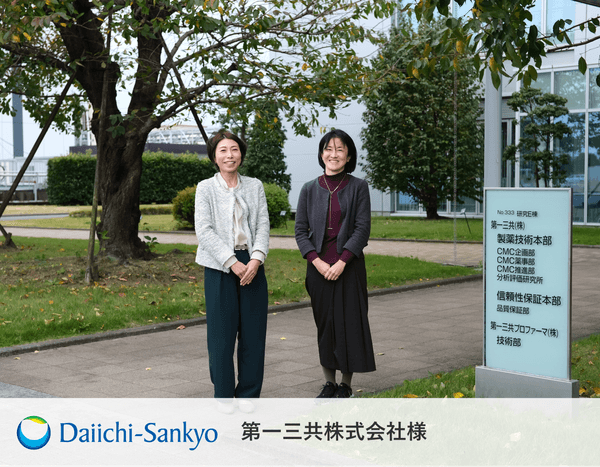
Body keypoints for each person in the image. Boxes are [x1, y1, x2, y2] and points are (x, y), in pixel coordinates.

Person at [295, 129, 376, 399]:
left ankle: (345, 384)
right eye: (328, 149)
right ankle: (328, 382)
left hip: (349, 268)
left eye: (340, 149)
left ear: (348, 156)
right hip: (318, 269)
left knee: (350, 325)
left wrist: (342, 262)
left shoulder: (359, 187)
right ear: (321, 155)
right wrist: (316, 262)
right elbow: (300, 231)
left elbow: (362, 229)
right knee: (325, 325)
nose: (334, 154)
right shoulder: (309, 189)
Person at [194, 130, 270, 412]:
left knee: (253, 335)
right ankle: (224, 395)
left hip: (252, 264)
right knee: (221, 337)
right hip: (219, 267)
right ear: (214, 157)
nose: (230, 155)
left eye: (235, 149)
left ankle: (249, 394)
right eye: (223, 150)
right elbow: (204, 230)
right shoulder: (205, 188)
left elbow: (262, 225)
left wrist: (256, 259)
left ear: (241, 154)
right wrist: (231, 261)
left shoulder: (255, 186)